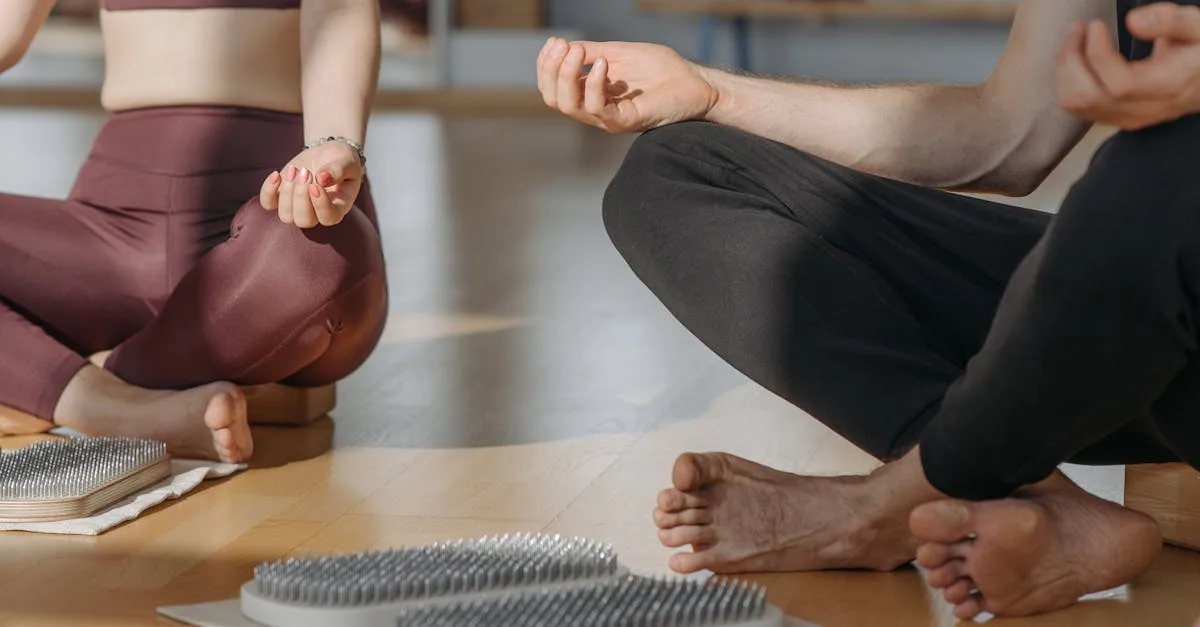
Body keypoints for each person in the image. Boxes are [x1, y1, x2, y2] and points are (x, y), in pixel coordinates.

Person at [540, 0, 1200, 620]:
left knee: (1159, 171)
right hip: (1129, 304)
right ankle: (1032, 495)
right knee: (674, 173)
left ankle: (883, 507)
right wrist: (713, 94)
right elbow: (1009, 133)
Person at [0, 0, 388, 464]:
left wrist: (332, 143)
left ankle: (48, 377)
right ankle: (109, 405)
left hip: (273, 220)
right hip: (109, 230)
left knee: (325, 257)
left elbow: (340, 11)